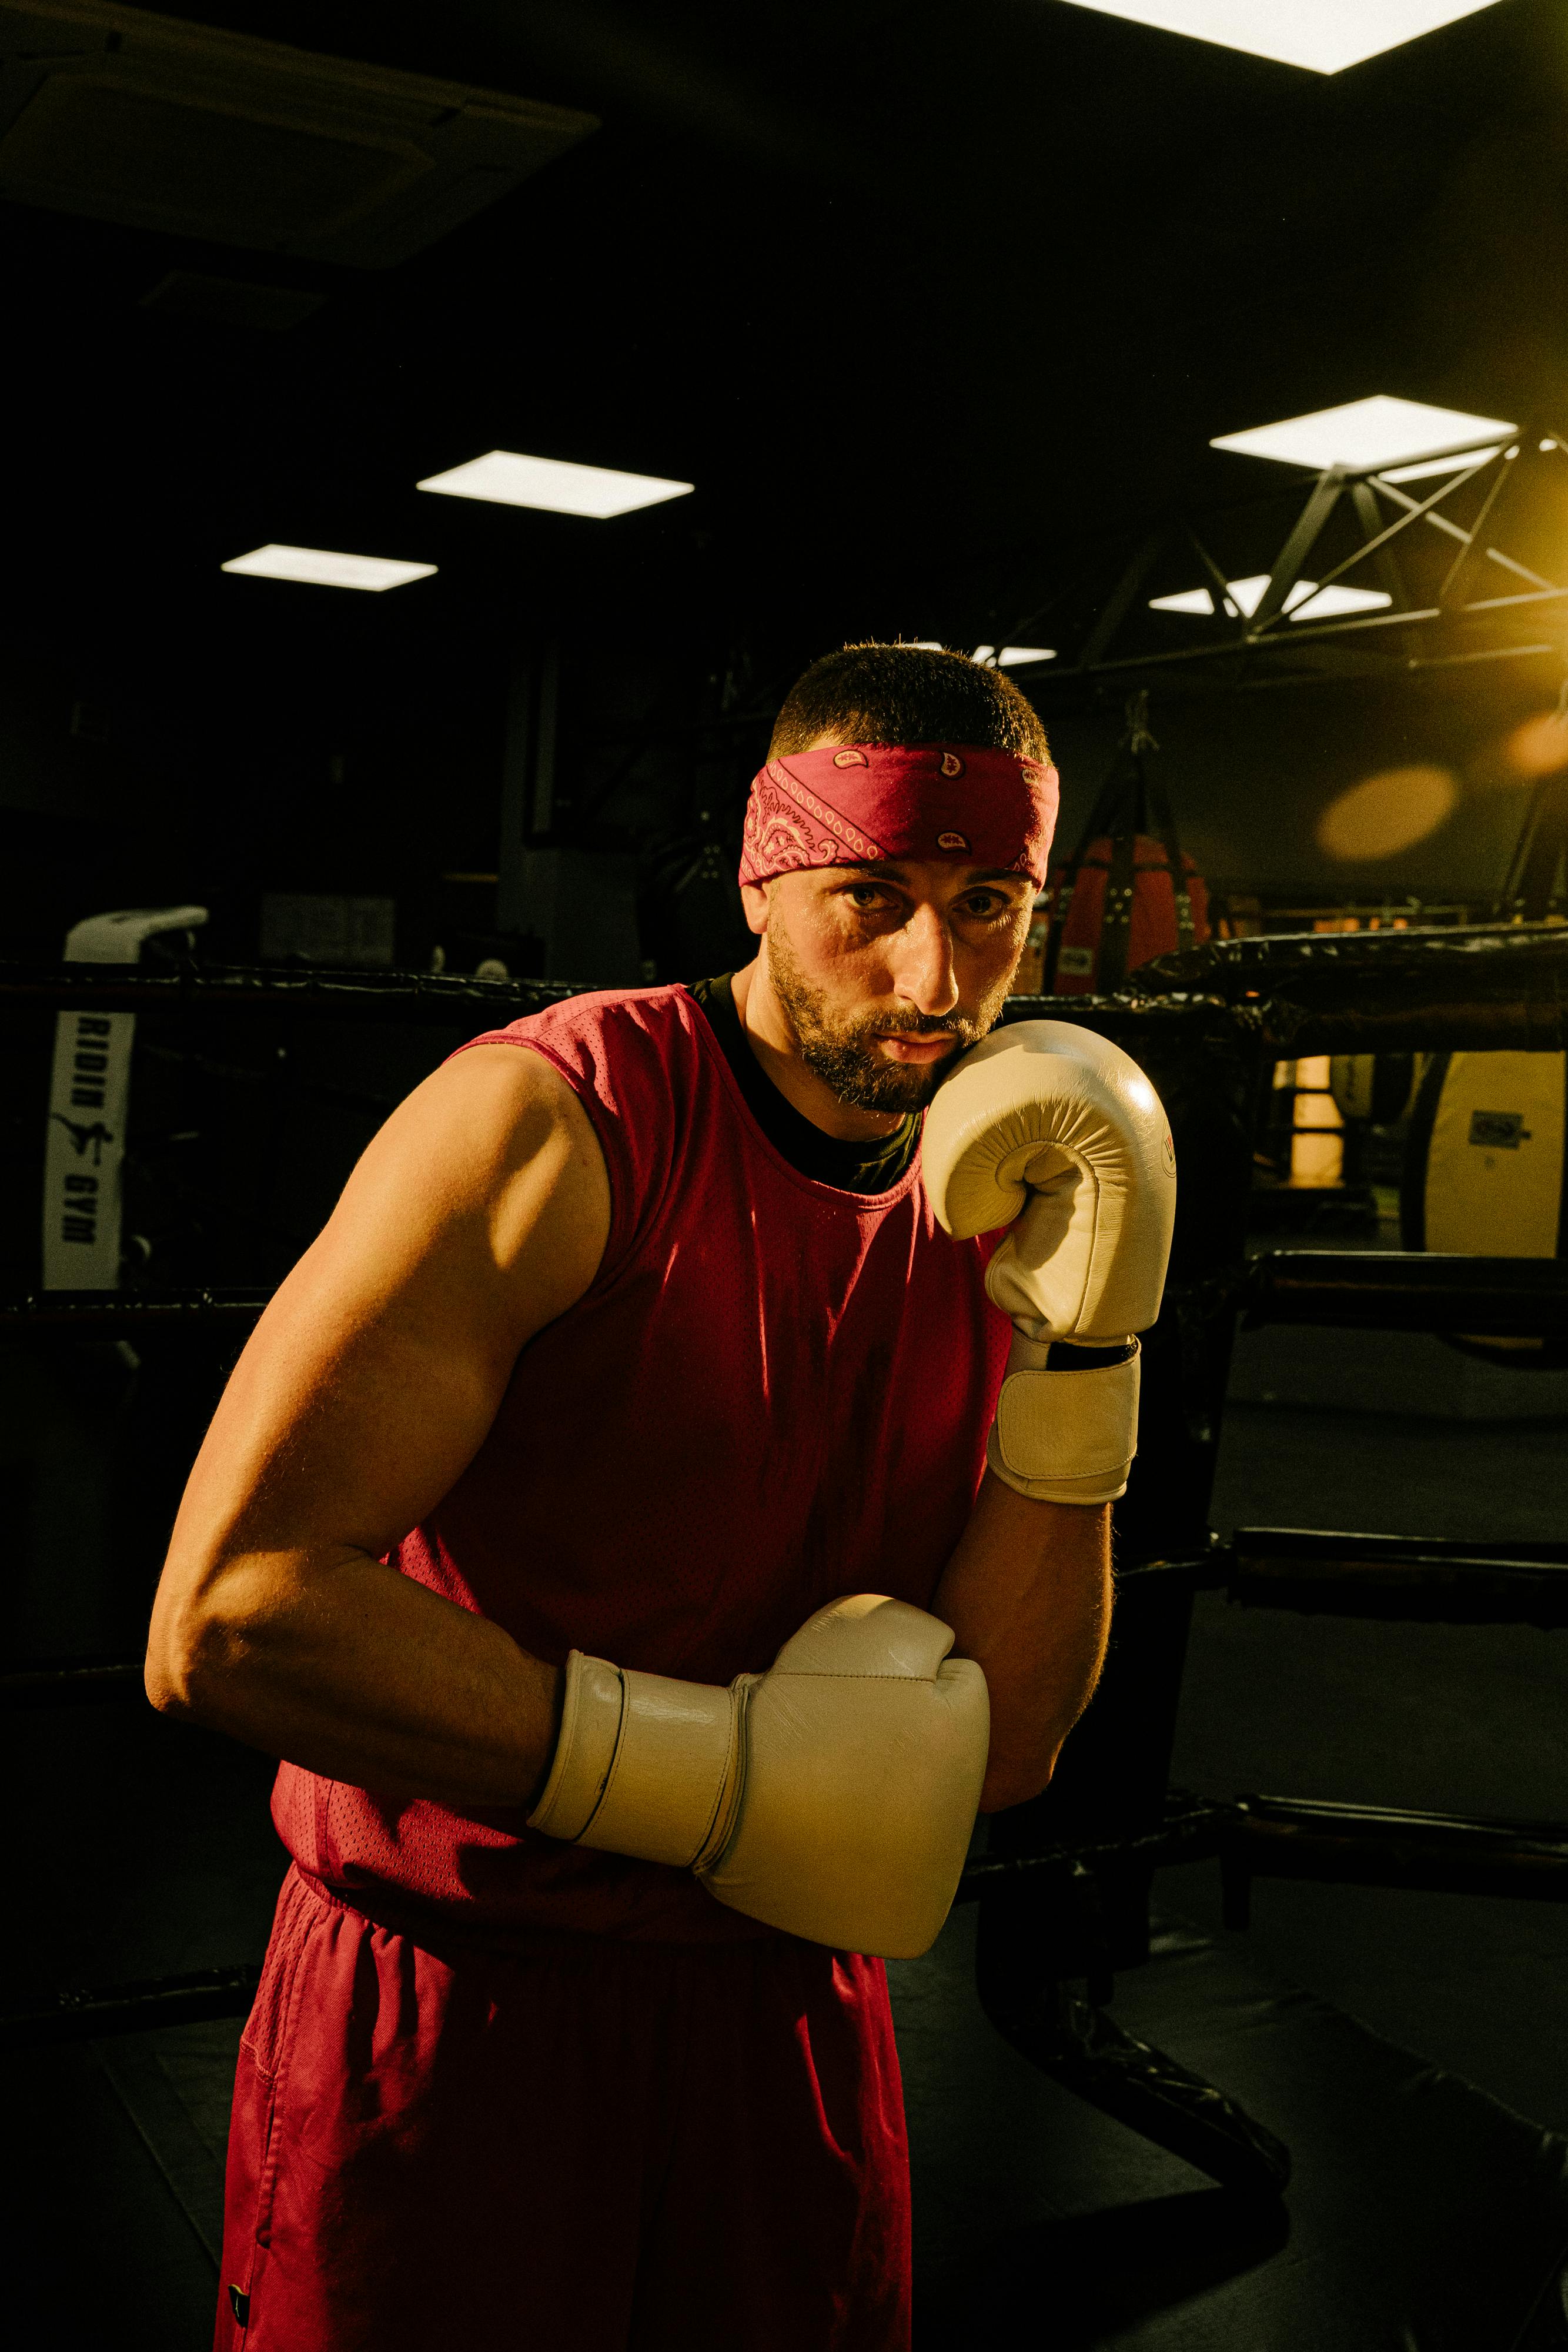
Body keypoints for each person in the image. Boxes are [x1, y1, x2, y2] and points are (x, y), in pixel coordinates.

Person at [145, 641, 1170, 2352]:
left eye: (990, 903)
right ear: (762, 881)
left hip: (789, 2010)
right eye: (870, 896)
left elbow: (1007, 1750)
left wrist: (1089, 1353)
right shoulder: (555, 1126)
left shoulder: (1017, 1178)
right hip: (465, 2005)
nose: (936, 972)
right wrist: (720, 1784)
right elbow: (230, 1620)